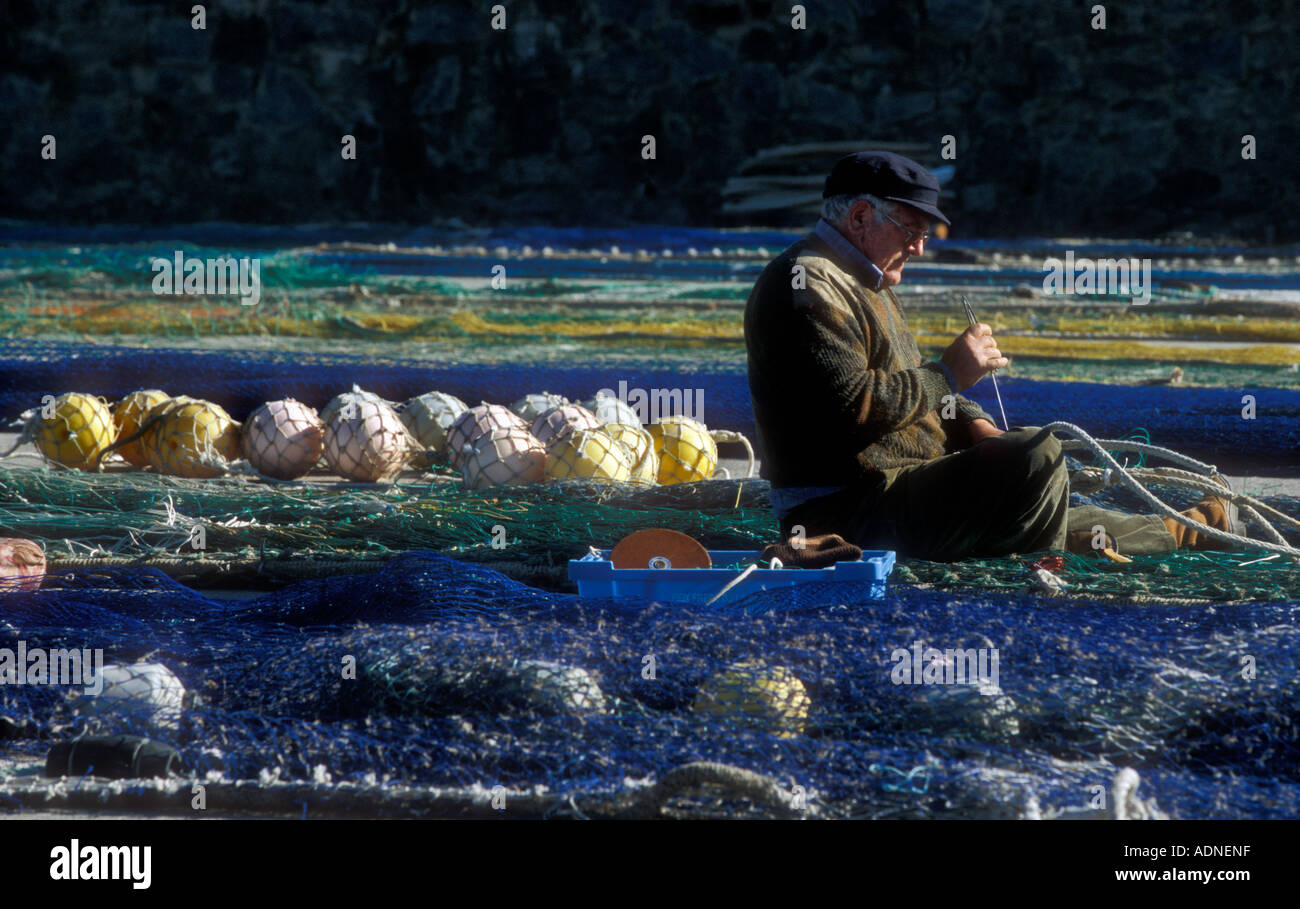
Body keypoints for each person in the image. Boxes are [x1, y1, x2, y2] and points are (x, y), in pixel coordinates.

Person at [743, 150, 1234, 561]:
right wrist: (949, 373)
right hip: (845, 509)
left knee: (1033, 461)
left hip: (897, 489)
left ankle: (1177, 531)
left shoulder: (867, 281)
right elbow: (853, 410)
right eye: (910, 230)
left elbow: (909, 387)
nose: (918, 247)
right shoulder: (804, 283)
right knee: (1036, 457)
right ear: (858, 217)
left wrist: (972, 422)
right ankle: (1087, 546)